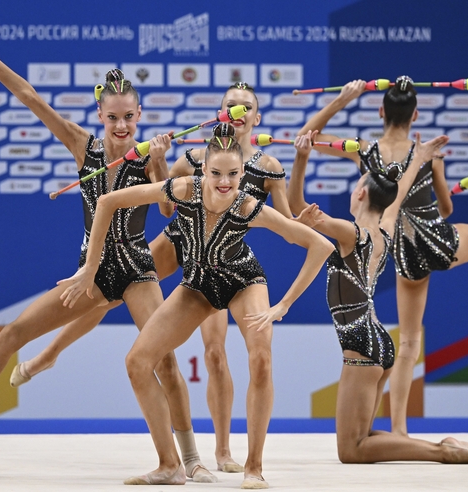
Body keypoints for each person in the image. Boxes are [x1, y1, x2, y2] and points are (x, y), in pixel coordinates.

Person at [0, 29, 217, 484]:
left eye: (128, 117)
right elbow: (29, 96)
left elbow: (167, 209)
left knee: (165, 360)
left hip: (134, 269)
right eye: (112, 117)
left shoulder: (147, 155)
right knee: (12, 332)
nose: (120, 126)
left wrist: (157, 162)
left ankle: (187, 459)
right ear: (99, 114)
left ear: (138, 115)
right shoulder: (83, 147)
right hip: (89, 274)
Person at [15, 82, 291, 474]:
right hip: (183, 241)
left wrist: (306, 187)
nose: (239, 111)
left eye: (246, 107)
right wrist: (159, 159)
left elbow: (290, 221)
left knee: (214, 352)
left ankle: (223, 451)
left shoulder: (268, 167)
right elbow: (164, 203)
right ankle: (49, 354)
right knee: (111, 292)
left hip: (219, 260)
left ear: (256, 118)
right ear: (221, 111)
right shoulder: (197, 157)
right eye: (232, 105)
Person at [59, 123, 334, 488]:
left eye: (233, 174)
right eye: (216, 173)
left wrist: (283, 304)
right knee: (138, 363)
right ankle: (170, 464)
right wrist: (91, 266)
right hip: (199, 284)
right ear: (203, 170)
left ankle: (254, 467)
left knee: (261, 359)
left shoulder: (250, 207)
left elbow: (320, 246)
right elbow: (108, 202)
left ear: (242, 173)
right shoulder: (183, 190)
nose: (224, 182)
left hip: (243, 282)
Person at [298, 76, 468, 436]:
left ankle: (398, 428)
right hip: (434, 237)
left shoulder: (364, 150)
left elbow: (307, 139)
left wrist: (342, 100)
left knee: (409, 340)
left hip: (399, 245)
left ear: (381, 112)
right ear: (416, 115)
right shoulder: (425, 154)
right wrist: (435, 173)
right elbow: (446, 206)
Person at [287, 125, 468, 463]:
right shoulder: (386, 227)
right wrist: (419, 159)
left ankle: (443, 453)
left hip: (362, 343)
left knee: (351, 451)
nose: (353, 191)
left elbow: (295, 205)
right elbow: (400, 191)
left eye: (356, 186)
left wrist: (301, 158)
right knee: (362, 439)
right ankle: (445, 446)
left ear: (362, 194)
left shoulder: (351, 233)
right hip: (377, 340)